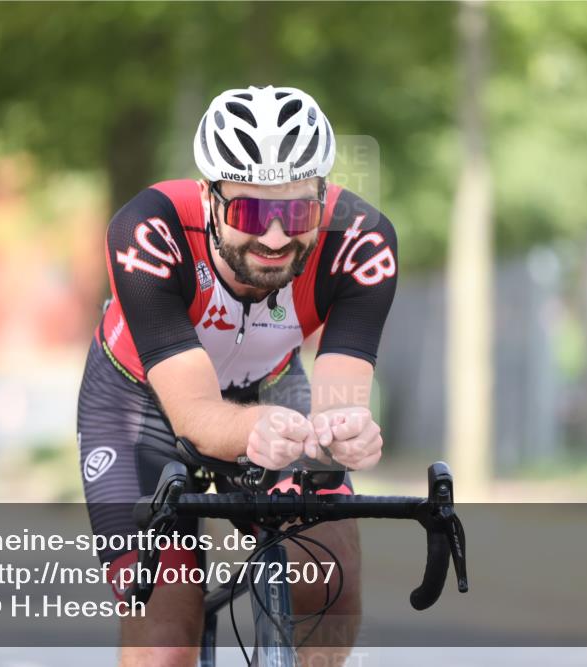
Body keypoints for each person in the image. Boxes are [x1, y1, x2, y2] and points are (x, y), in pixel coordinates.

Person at [77, 85, 398, 666]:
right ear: (209, 197)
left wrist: (345, 433)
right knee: (167, 631)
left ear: (323, 198)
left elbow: (337, 407)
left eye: (298, 211)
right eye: (250, 211)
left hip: (272, 390)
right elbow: (197, 416)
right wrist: (268, 429)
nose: (275, 237)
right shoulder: (149, 230)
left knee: (334, 582)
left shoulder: (360, 243)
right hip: (139, 408)